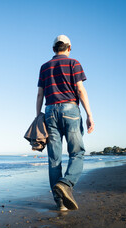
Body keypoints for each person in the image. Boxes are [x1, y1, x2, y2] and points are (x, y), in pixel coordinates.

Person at [36, 35, 94, 211]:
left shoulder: (44, 67)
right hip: (70, 110)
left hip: (50, 111)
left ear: (54, 49)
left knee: (54, 158)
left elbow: (40, 94)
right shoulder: (74, 63)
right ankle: (66, 183)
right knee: (77, 153)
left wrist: (38, 115)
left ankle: (60, 203)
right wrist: (89, 114)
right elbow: (80, 89)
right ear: (69, 48)